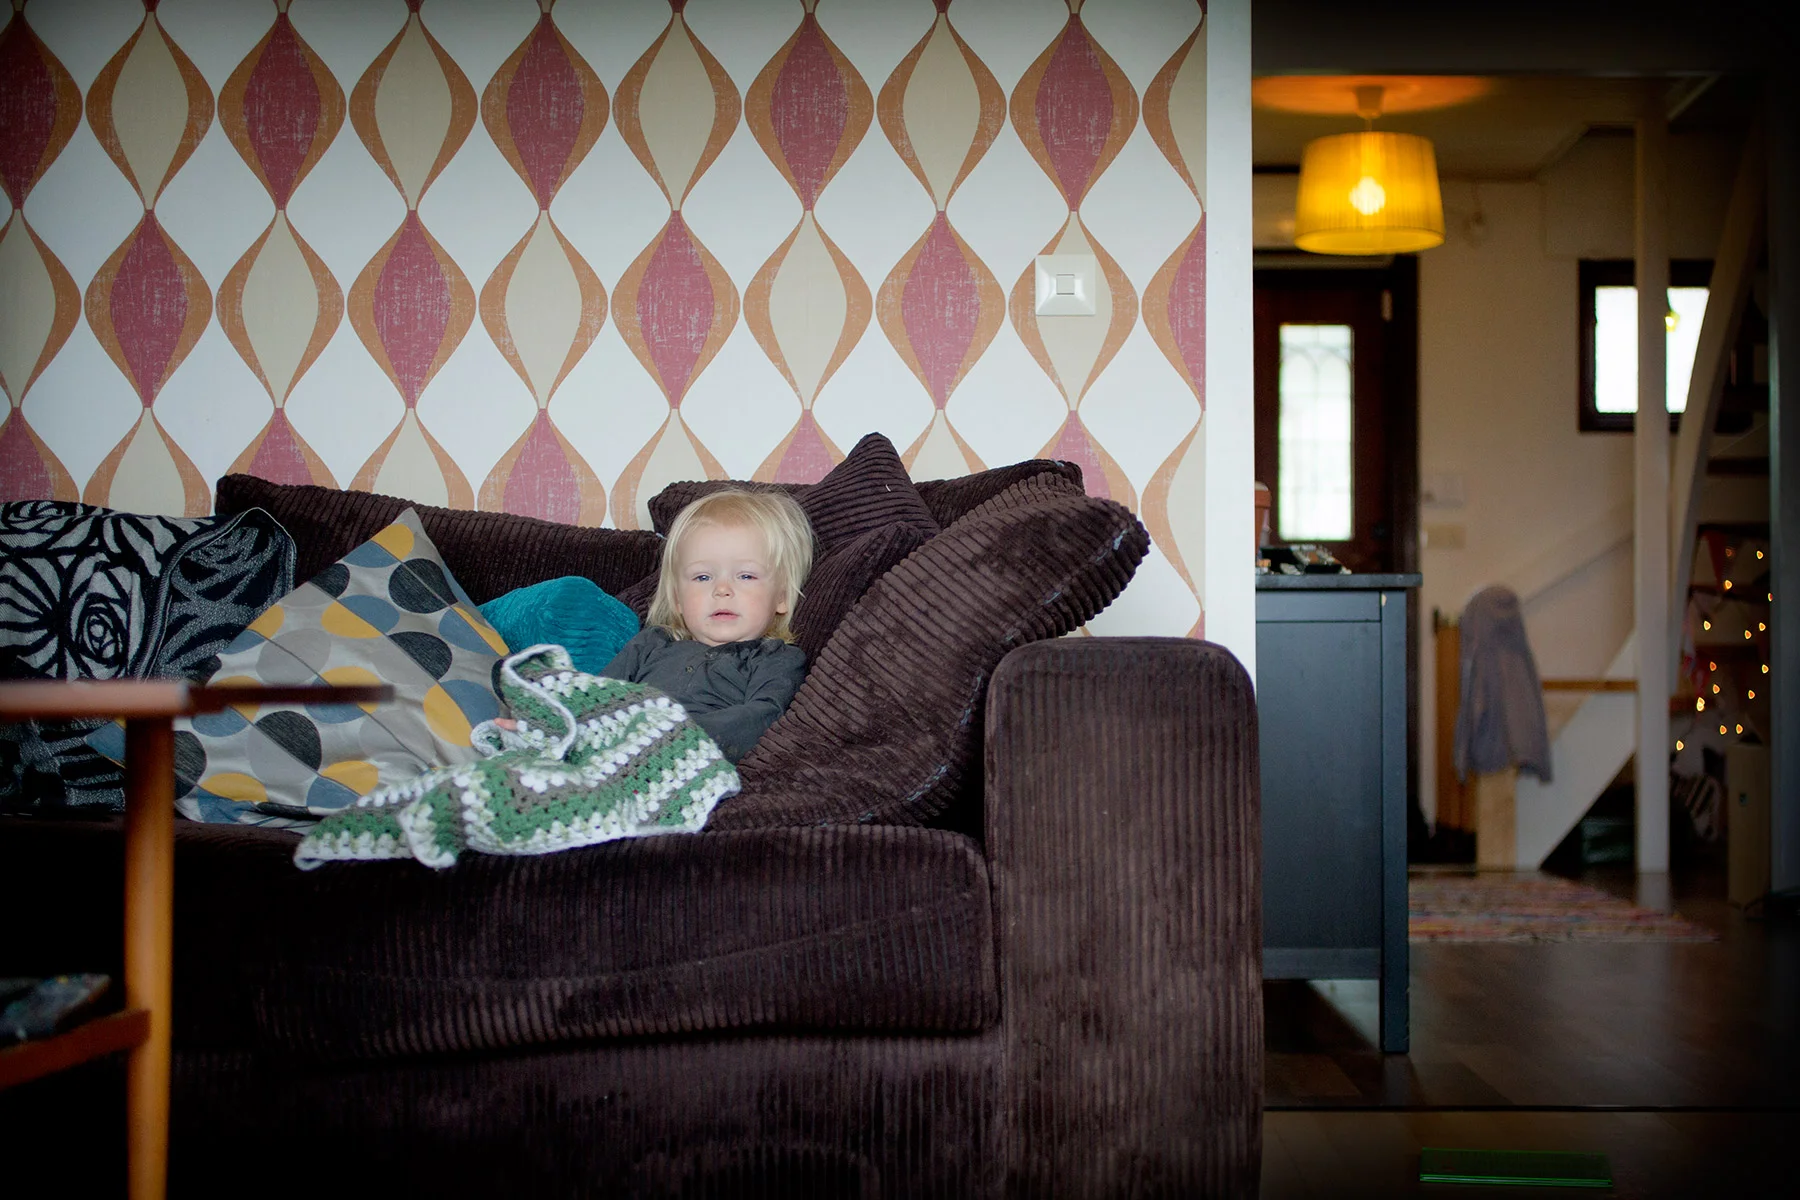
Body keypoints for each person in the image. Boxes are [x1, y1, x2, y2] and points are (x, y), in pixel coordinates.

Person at [496, 489, 813, 763]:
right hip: (611, 748)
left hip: (689, 761)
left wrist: (665, 735)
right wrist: (556, 722)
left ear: (782, 597)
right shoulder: (653, 643)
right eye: (703, 577)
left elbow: (761, 717)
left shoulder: (776, 657)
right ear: (677, 599)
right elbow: (600, 693)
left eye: (746, 575)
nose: (722, 589)